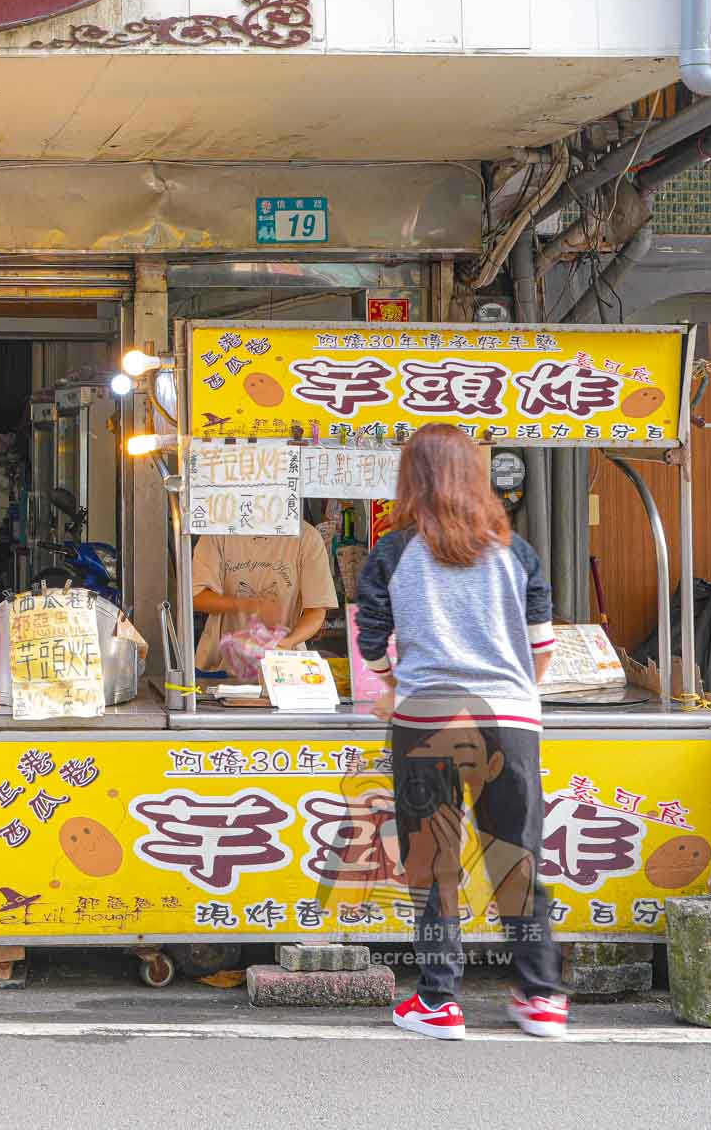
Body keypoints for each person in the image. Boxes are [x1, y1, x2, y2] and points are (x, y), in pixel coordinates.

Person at [352, 423, 566, 1042]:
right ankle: (541, 998)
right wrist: (513, 689)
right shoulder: (515, 553)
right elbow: (542, 648)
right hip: (510, 723)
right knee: (516, 858)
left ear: (410, 479)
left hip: (426, 721)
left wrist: (395, 686)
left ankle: (439, 1002)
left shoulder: (393, 552)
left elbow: (372, 641)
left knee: (434, 864)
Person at [190, 517, 337, 680]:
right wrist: (245, 605)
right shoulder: (218, 531)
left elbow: (316, 610)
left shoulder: (307, 537)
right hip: (220, 668)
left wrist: (288, 642)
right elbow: (196, 597)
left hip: (283, 667)